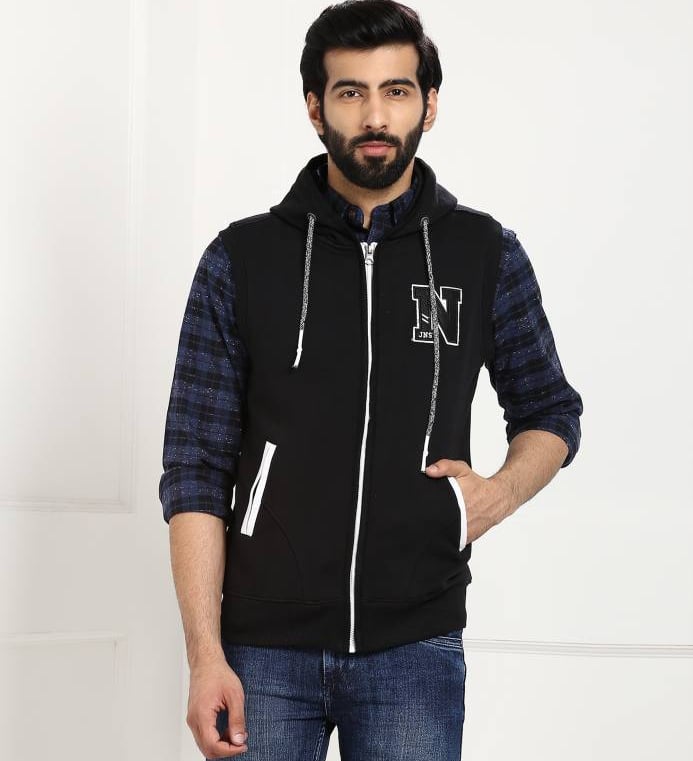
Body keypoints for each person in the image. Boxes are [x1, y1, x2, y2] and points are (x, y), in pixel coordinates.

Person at [158, 1, 583, 758]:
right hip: (261, 650)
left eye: (397, 90)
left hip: (413, 645)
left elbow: (550, 410)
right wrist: (205, 655)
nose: (376, 115)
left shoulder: (484, 253)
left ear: (429, 104)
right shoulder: (240, 259)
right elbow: (194, 467)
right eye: (351, 92)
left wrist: (497, 493)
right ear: (315, 108)